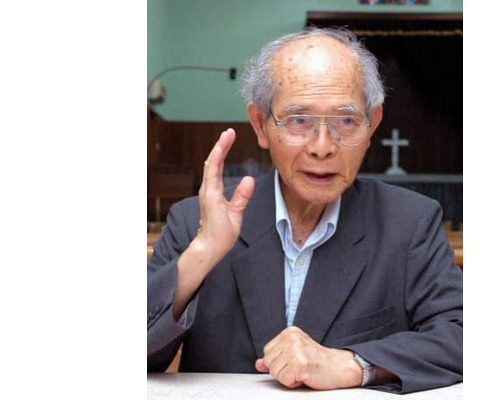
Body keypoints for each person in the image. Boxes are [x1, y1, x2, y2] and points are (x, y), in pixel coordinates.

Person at [147, 27, 463, 394]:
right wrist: (203, 251)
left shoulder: (408, 223)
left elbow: (462, 336)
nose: (322, 147)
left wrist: (354, 364)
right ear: (261, 125)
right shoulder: (193, 222)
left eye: (345, 120)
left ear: (371, 125)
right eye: (299, 120)